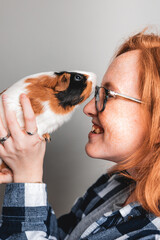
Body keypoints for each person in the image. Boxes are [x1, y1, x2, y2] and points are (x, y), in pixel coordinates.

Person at [0, 29, 160, 239]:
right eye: (98, 93)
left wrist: (27, 178)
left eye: (109, 95)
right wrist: (27, 179)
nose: (88, 109)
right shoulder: (116, 183)